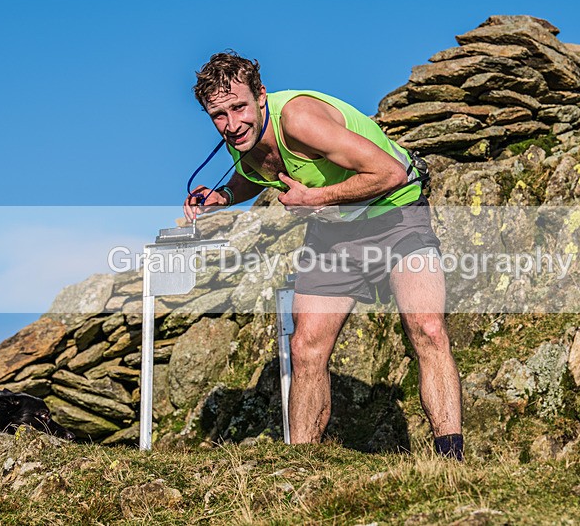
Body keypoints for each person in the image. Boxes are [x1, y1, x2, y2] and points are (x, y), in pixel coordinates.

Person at [183, 51, 463, 460]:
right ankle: (301, 467)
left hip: (397, 214)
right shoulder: (239, 137)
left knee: (428, 329)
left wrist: (317, 198)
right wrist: (222, 195)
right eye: (218, 115)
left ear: (261, 96)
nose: (231, 124)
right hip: (333, 235)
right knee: (306, 347)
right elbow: (254, 171)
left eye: (239, 107)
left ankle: (451, 462)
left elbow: (390, 173)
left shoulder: (299, 120)